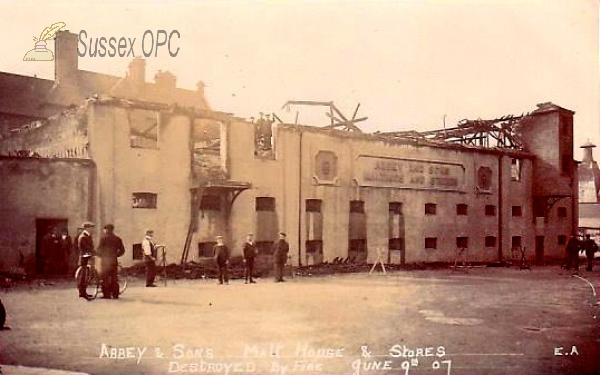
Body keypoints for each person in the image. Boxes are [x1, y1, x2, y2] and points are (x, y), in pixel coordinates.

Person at [96, 224, 125, 299]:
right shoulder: (117, 239)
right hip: (113, 261)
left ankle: (107, 295)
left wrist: (101, 256)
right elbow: (122, 250)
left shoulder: (103, 239)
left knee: (105, 278)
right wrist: (116, 255)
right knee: (114, 278)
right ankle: (115, 294)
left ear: (106, 230)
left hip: (105, 262)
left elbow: (98, 250)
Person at [77, 221, 96, 300]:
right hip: (85, 258)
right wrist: (95, 252)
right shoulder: (83, 237)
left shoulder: (87, 235)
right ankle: (82, 293)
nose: (92, 229)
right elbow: (86, 248)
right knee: (83, 276)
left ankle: (83, 292)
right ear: (86, 228)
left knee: (85, 275)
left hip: (87, 257)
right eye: (91, 228)